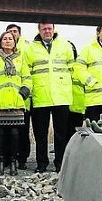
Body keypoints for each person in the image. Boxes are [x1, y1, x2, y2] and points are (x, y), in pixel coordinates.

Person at [24, 22, 74, 173]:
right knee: (40, 134)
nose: (47, 31)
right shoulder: (30, 49)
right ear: (39, 30)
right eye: (44, 28)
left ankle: (60, 163)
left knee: (61, 134)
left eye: (49, 28)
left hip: (61, 96)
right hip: (40, 96)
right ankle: (41, 164)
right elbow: (26, 72)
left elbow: (72, 69)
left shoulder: (65, 46)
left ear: (54, 29)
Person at [0, 31, 31, 176]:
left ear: (15, 42)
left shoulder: (21, 59)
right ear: (1, 41)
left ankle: (13, 161)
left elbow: (27, 78)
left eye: (10, 39)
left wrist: (23, 93)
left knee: (15, 134)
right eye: (5, 39)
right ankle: (1, 161)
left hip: (16, 102)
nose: (7, 41)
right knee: (0, 134)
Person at [6, 23, 30, 169]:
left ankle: (23, 159)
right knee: (9, 131)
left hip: (23, 99)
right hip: (6, 100)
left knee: (23, 131)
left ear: (19, 33)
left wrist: (25, 93)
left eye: (15, 31)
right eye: (9, 32)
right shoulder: (1, 52)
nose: (12, 34)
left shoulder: (27, 47)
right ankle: (9, 158)